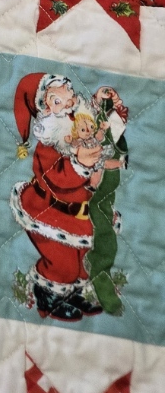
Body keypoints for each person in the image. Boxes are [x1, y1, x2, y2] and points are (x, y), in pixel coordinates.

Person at [11, 72, 125, 322]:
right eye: (58, 100)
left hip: (82, 214)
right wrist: (79, 164)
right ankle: (48, 298)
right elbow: (57, 180)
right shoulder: (50, 144)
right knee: (62, 264)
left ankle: (75, 295)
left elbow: (93, 124)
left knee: (83, 261)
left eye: (70, 94)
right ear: (45, 110)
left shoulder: (80, 129)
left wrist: (101, 102)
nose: (70, 102)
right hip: (50, 212)